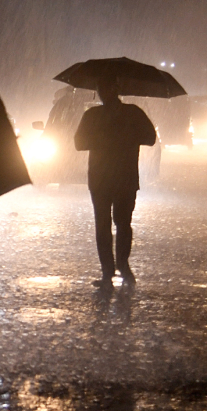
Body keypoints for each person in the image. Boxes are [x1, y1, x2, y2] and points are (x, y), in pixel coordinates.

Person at [73, 79, 157, 287]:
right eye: (101, 88)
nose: (103, 92)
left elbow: (150, 138)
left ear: (114, 89)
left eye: (105, 88)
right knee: (116, 224)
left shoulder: (96, 116)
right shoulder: (130, 113)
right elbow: (79, 143)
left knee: (113, 224)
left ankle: (115, 269)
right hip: (118, 178)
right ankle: (117, 269)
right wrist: (122, 136)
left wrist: (107, 137)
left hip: (109, 179)